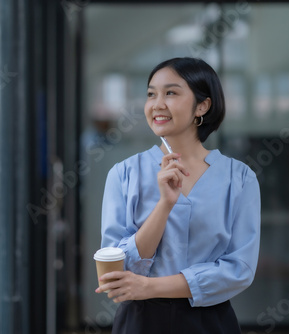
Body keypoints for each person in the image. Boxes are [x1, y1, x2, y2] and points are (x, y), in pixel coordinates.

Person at [95, 57, 261, 333]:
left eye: (170, 92)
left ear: (202, 105)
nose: (157, 104)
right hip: (140, 321)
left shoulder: (239, 179)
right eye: (151, 94)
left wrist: (149, 286)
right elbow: (115, 269)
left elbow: (239, 269)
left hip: (209, 321)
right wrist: (164, 205)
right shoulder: (123, 174)